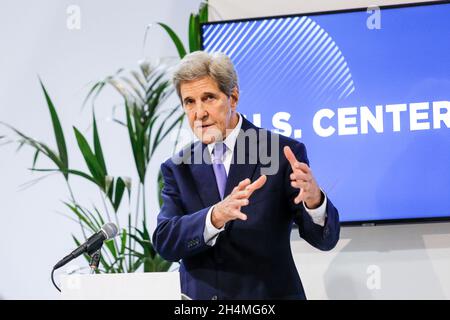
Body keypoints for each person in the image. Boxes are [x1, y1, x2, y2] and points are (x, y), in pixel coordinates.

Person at [152, 51, 340, 300]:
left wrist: (314, 201)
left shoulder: (281, 153)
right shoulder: (178, 167)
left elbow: (323, 241)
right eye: (190, 102)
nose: (199, 113)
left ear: (233, 97)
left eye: (208, 98)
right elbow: (165, 241)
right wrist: (215, 216)